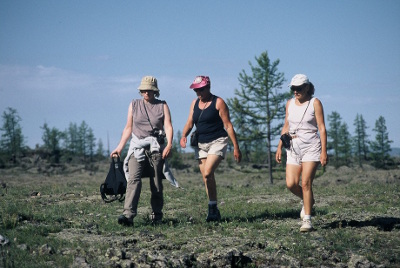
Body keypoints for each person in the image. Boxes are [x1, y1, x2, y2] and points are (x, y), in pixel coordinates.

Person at [110, 76, 174, 226]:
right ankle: (128, 215)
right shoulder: (134, 104)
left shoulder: (162, 105)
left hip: (156, 148)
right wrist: (120, 147)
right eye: (144, 90)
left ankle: (157, 216)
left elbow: (168, 126)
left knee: (156, 183)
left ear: (155, 91)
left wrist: (169, 144)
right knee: (133, 179)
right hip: (137, 147)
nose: (146, 93)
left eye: (150, 90)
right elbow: (128, 128)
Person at [180, 75, 242, 222]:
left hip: (218, 140)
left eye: (201, 89)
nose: (198, 93)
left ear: (208, 87)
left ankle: (212, 207)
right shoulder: (194, 103)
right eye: (196, 90)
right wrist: (184, 136)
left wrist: (236, 147)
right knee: (206, 177)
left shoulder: (218, 102)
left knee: (208, 172)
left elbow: (228, 125)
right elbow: (190, 122)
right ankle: (213, 208)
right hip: (201, 143)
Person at [276, 74, 328, 232]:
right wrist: (279, 146)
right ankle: (308, 201)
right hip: (292, 147)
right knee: (291, 184)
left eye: (298, 88)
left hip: (311, 146)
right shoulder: (289, 104)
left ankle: (307, 219)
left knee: (306, 183)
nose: (295, 91)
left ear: (307, 87)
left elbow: (322, 128)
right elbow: (286, 125)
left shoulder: (315, 103)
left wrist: (324, 151)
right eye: (293, 88)